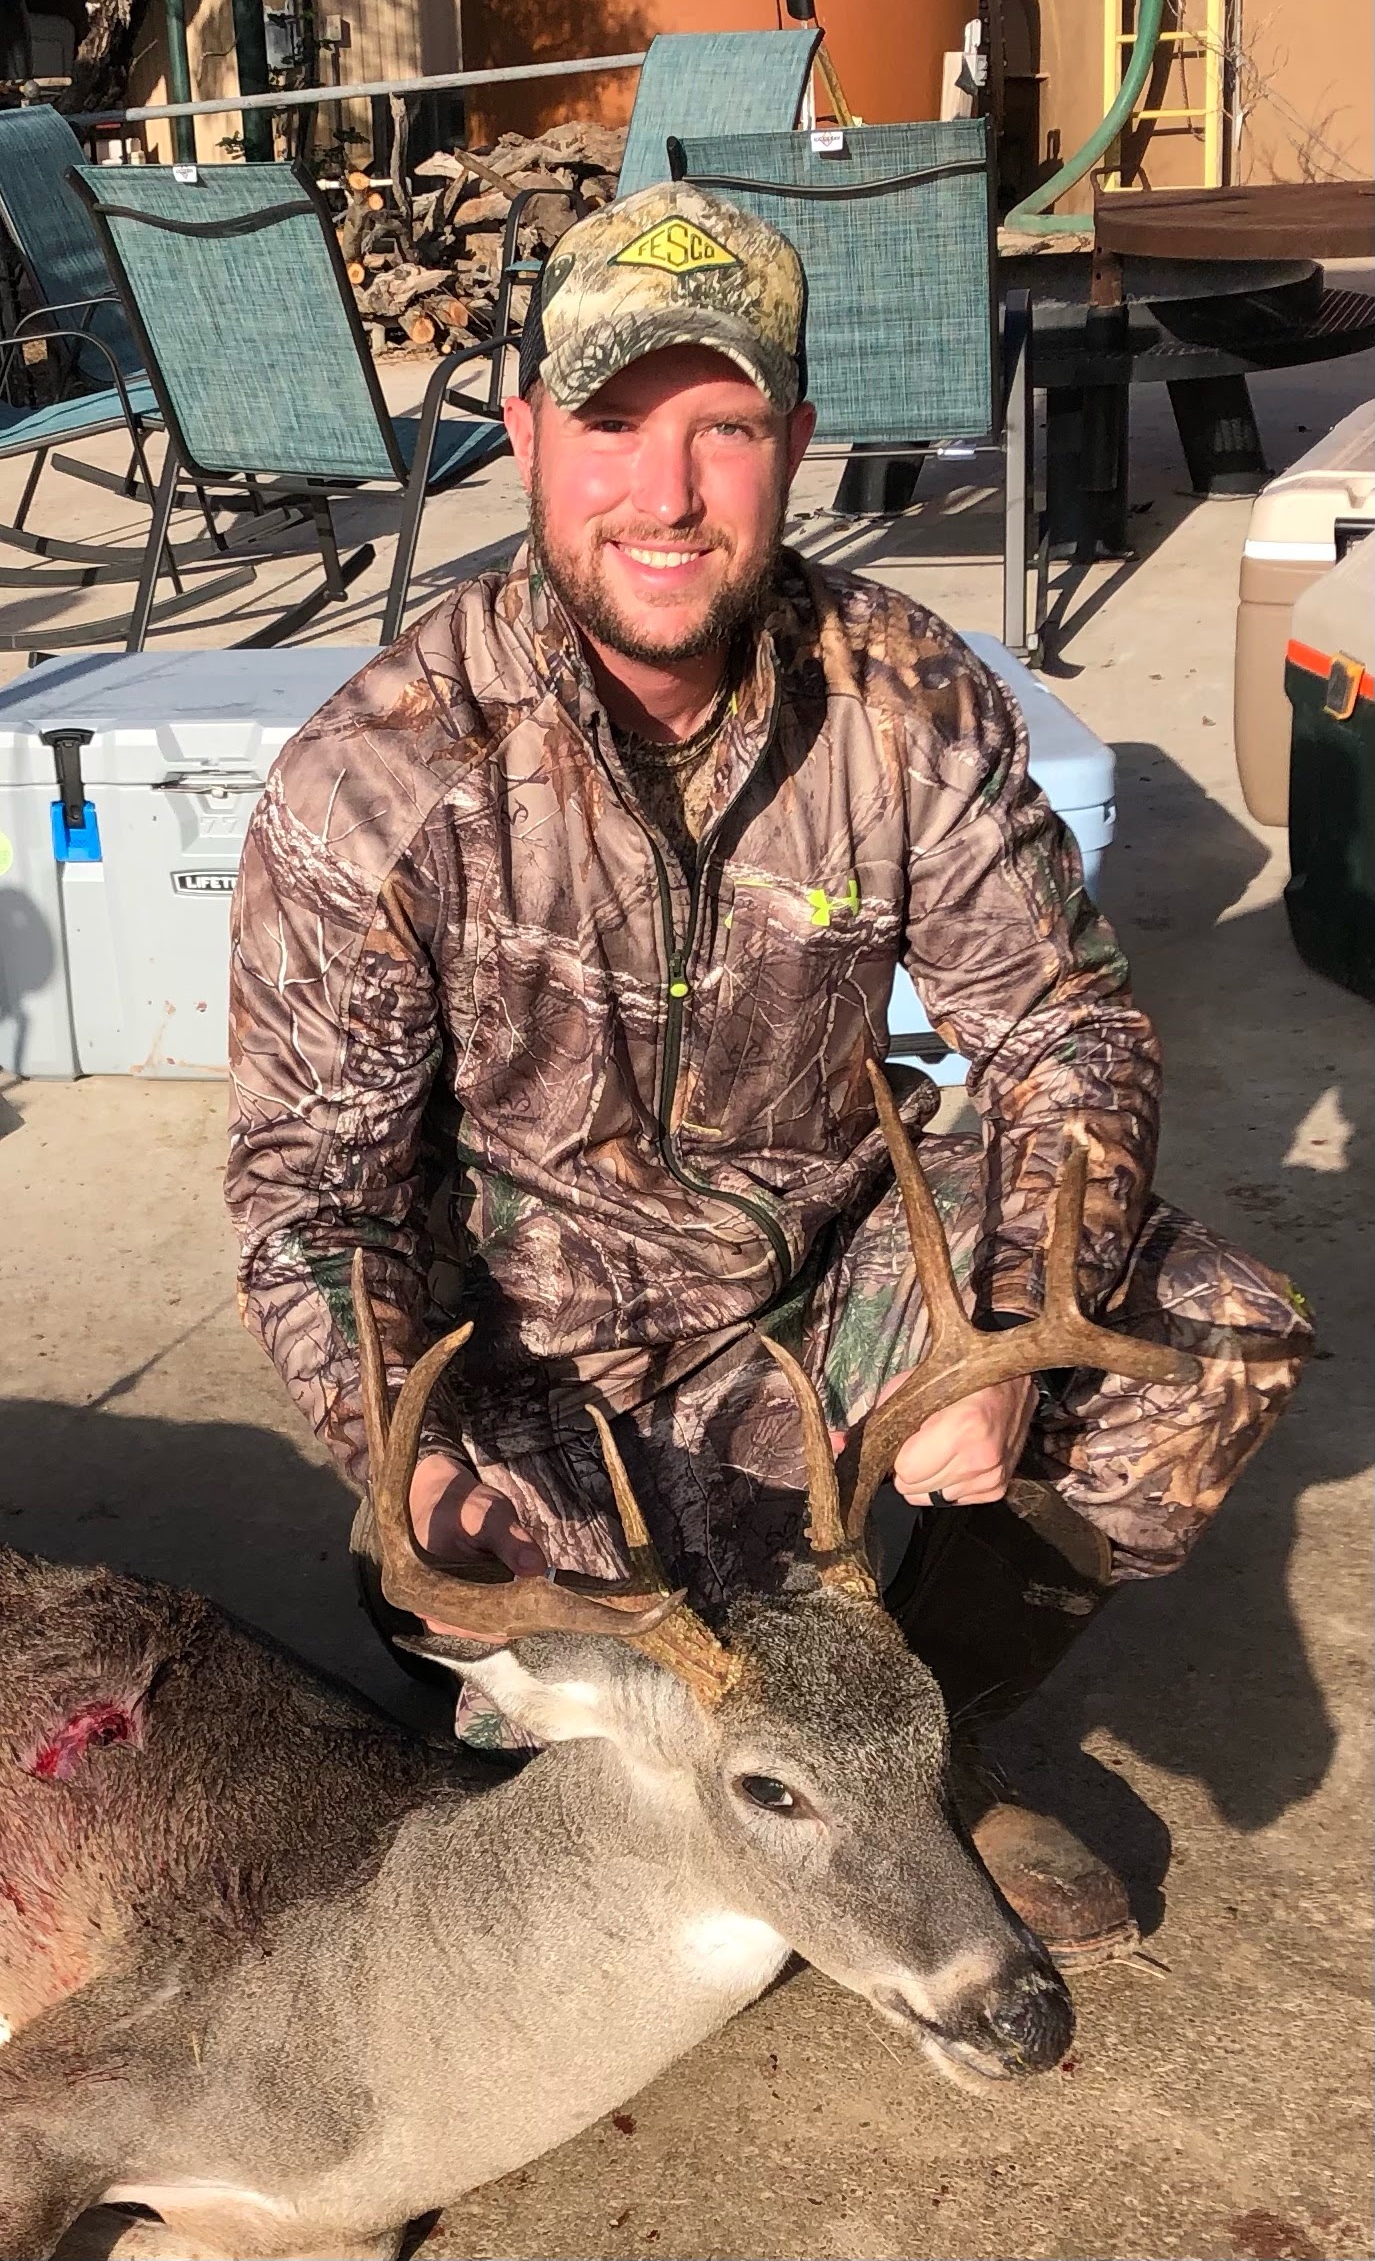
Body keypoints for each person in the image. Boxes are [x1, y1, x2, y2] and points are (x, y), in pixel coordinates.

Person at [226, 182, 1310, 1969]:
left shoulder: (903, 702)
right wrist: (408, 1464)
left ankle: (909, 1763)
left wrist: (1006, 1330)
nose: (666, 494)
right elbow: (307, 1202)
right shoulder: (382, 774)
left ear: (795, 443)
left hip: (825, 1303)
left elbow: (1067, 1030)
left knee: (1206, 1340)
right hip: (547, 1390)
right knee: (534, 1763)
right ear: (525, 437)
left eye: (721, 427)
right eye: (612, 424)